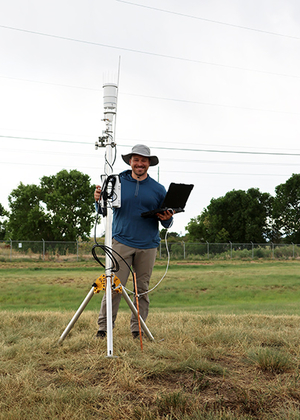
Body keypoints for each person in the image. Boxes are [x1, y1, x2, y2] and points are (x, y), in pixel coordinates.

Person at [94, 144, 173, 339]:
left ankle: (138, 330)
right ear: (130, 161)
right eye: (136, 160)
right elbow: (103, 210)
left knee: (142, 290)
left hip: (148, 245)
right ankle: (104, 329)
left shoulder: (158, 189)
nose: (140, 163)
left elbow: (168, 222)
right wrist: (97, 199)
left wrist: (167, 218)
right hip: (120, 243)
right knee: (113, 287)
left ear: (149, 164)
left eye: (144, 160)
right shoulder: (116, 181)